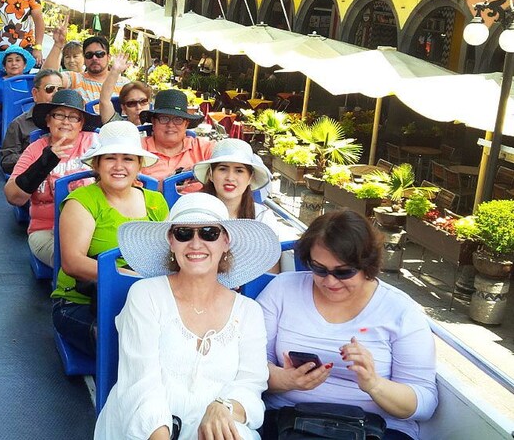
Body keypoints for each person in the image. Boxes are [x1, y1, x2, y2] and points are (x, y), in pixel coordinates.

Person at [94, 193, 280, 440]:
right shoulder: (145, 295)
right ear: (172, 241)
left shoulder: (248, 312)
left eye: (208, 233)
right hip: (145, 428)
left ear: (226, 241)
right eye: (184, 233)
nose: (195, 243)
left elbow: (251, 385)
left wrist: (224, 407)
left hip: (215, 429)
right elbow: (141, 384)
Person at [257, 211, 438, 440]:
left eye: (343, 272)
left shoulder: (400, 311)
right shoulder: (282, 290)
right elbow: (251, 363)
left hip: (375, 429)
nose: (330, 281)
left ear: (367, 266)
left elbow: (424, 403)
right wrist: (285, 379)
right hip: (290, 422)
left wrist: (374, 384)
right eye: (319, 269)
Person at [53, 121, 167, 356]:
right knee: (136, 344)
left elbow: (169, 254)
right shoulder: (82, 201)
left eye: (128, 159)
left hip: (145, 303)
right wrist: (134, 278)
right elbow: (72, 262)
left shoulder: (156, 201)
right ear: (97, 164)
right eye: (109, 158)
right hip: (83, 304)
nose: (119, 166)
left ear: (139, 165)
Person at [5, 89, 101, 268]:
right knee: (71, 258)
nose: (66, 122)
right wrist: (43, 164)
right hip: (46, 230)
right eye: (59, 115)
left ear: (81, 124)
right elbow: (13, 196)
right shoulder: (35, 149)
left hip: (95, 228)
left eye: (74, 117)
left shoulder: (96, 143)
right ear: (48, 120)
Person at [194, 138, 288, 272]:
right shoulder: (193, 212)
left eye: (239, 171)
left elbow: (270, 271)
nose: (230, 177)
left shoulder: (262, 217)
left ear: (250, 177)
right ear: (210, 174)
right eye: (223, 169)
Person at [140, 89, 215, 187]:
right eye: (164, 118)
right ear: (153, 122)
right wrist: (160, 188)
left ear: (186, 124)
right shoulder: (137, 149)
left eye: (178, 119)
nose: (170, 125)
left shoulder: (203, 148)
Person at [0, 69, 64, 175]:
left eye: (60, 90)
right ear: (35, 93)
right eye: (50, 89)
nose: (55, 94)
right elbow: (7, 162)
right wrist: (37, 157)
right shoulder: (19, 124)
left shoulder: (71, 122)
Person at [42, 26, 128, 103]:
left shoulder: (124, 83)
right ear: (84, 58)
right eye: (89, 55)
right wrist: (57, 45)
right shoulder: (74, 78)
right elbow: (47, 78)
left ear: (108, 57)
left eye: (99, 54)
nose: (94, 58)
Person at [99, 54, 153, 126]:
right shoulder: (119, 125)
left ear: (149, 103)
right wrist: (115, 71)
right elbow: (104, 101)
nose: (138, 107)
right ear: (123, 108)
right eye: (131, 103)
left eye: (143, 101)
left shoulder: (157, 125)